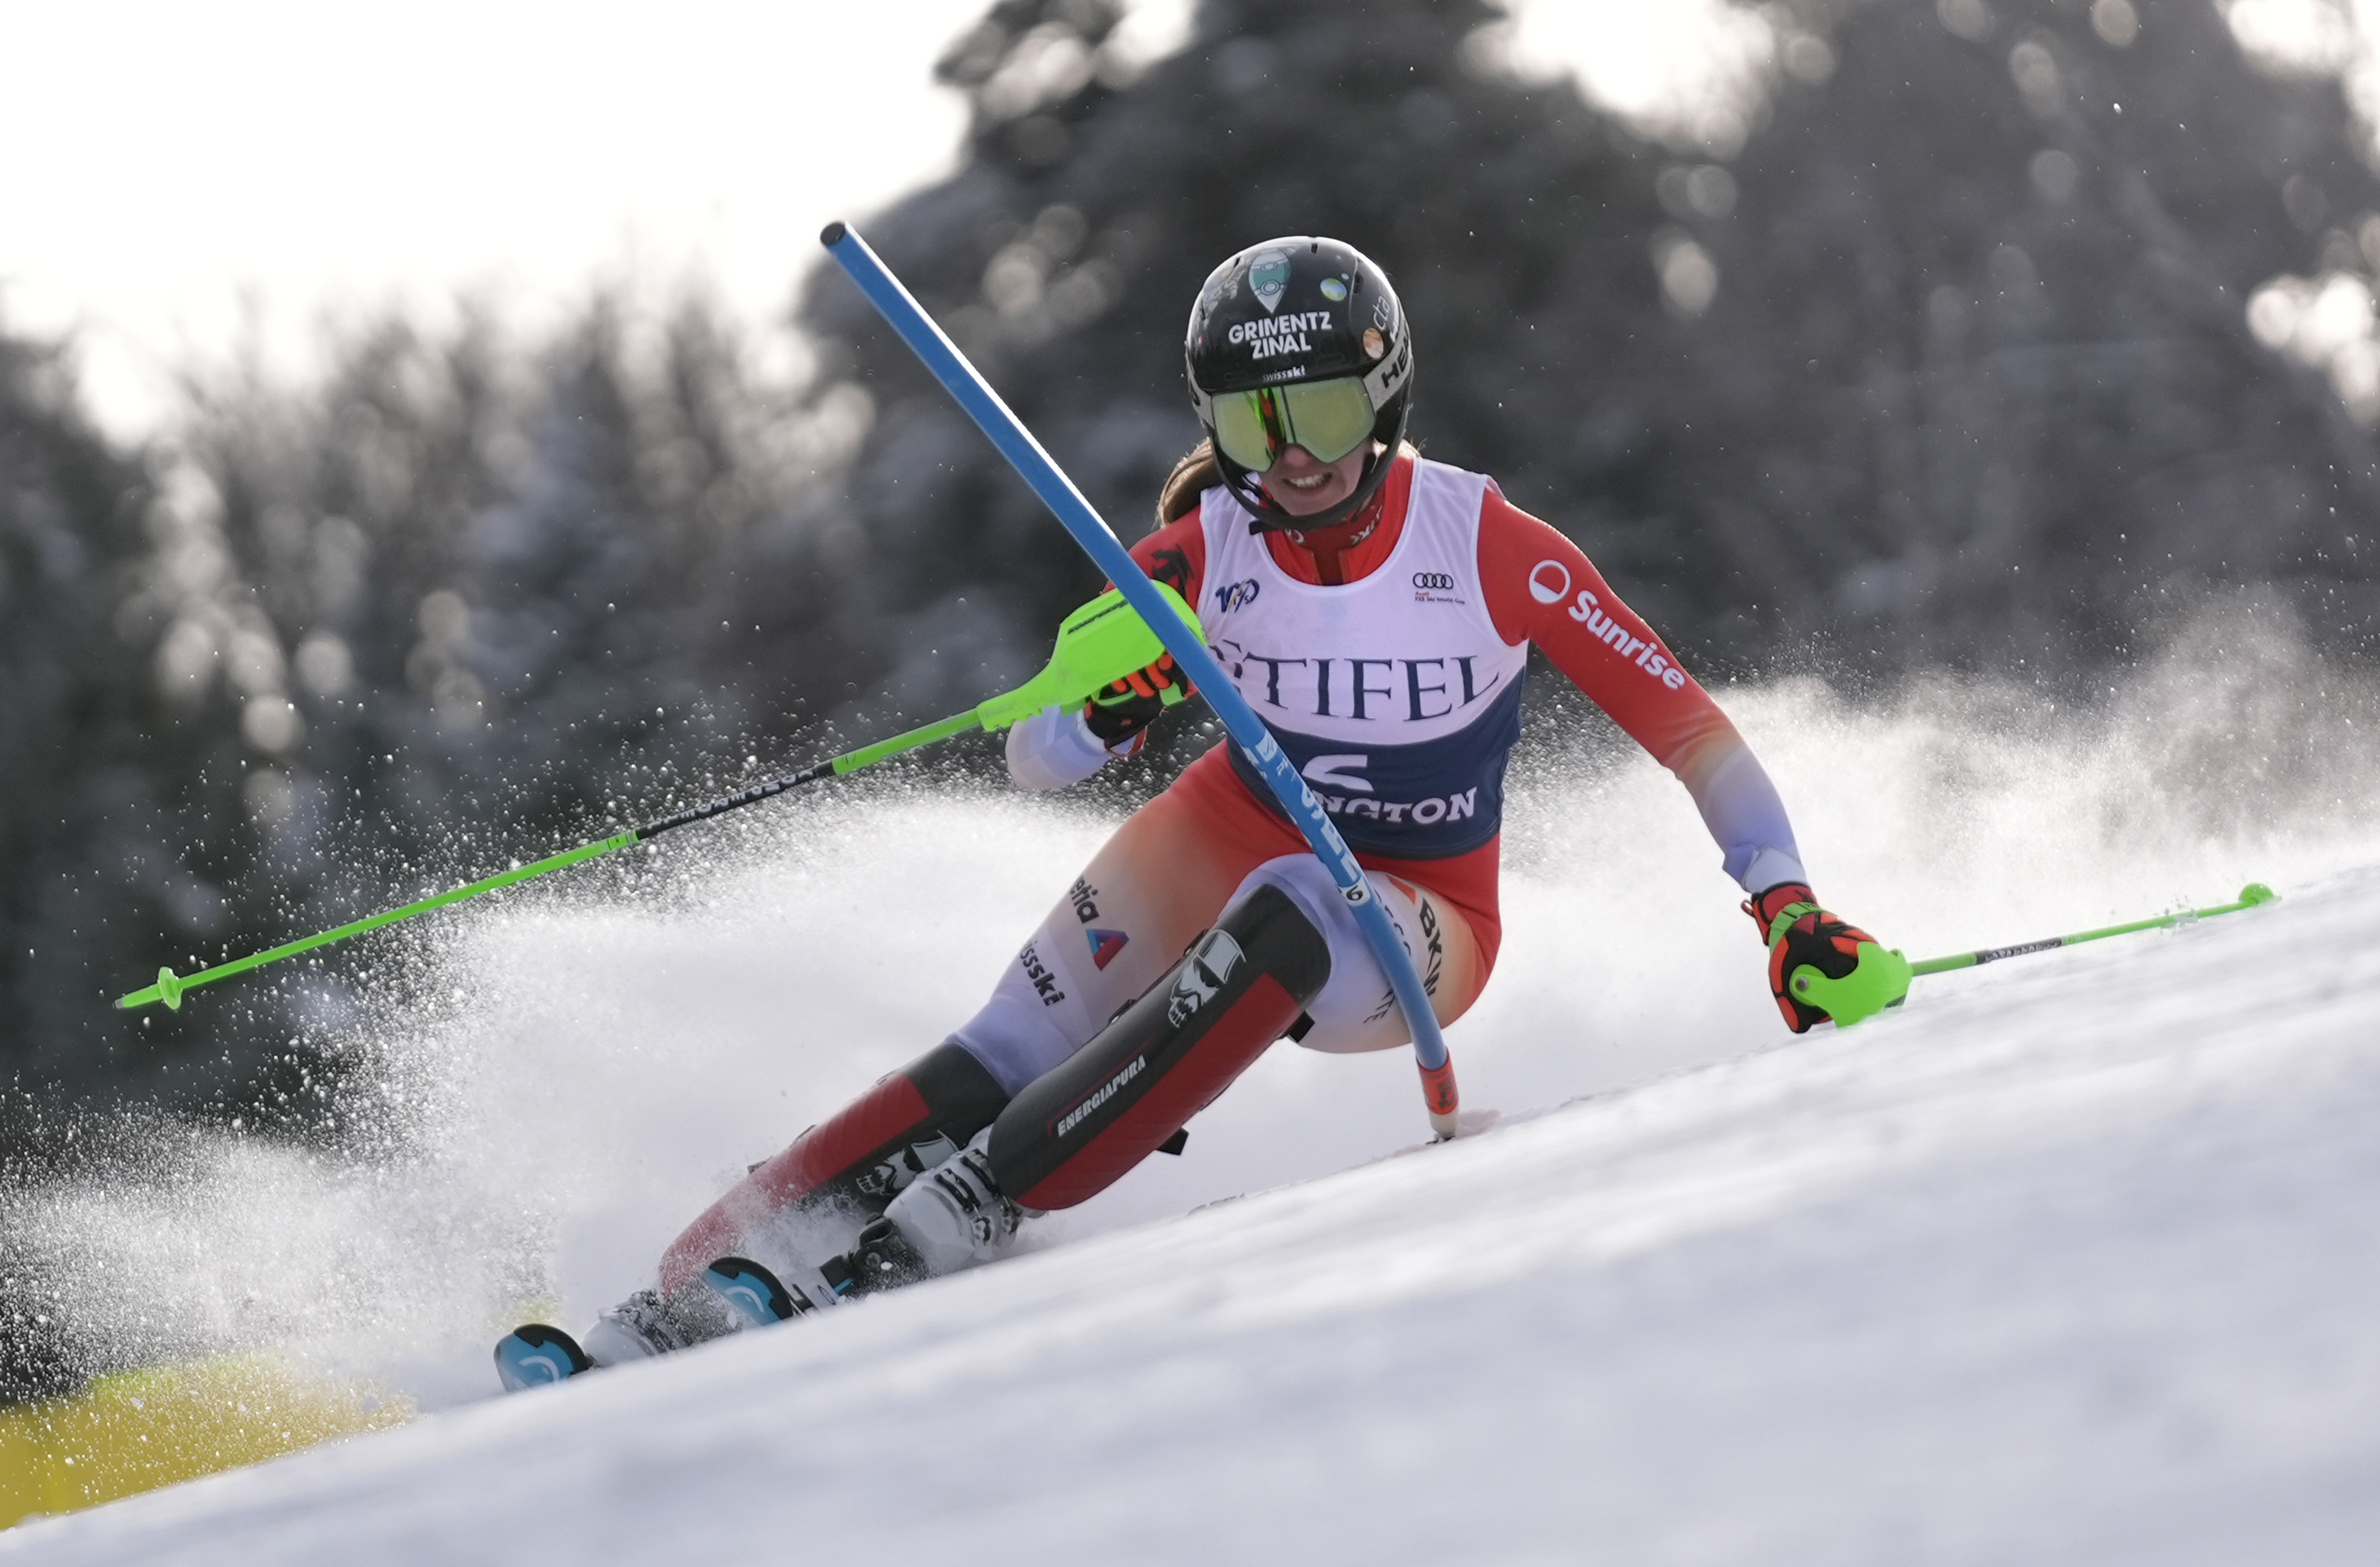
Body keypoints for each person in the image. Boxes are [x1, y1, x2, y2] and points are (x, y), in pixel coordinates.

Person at [567, 236, 1883, 1365]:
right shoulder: (1201, 551)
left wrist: (1785, 908)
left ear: (1384, 399)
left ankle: (978, 1199)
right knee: (1001, 1049)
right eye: (1255, 422)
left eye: (1316, 415)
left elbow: (1692, 729)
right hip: (1223, 825)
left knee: (1295, 906)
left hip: (1421, 916)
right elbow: (1035, 755)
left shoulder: (1488, 545)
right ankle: (697, 1273)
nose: (1291, 456)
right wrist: (1108, 708)